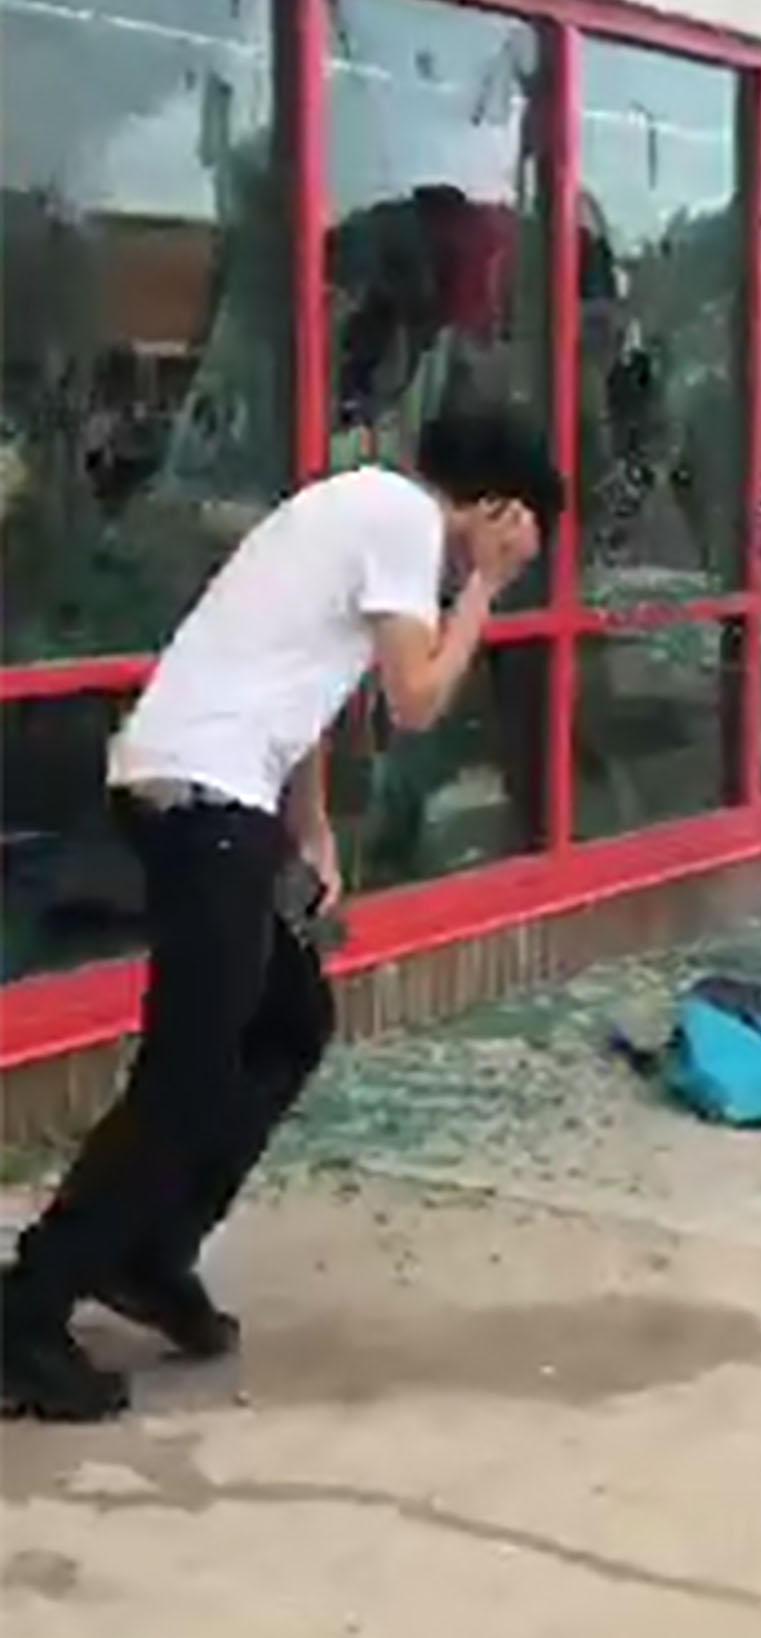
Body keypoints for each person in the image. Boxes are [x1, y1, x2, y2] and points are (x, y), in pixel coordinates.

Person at [2, 406, 564, 1422]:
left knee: (289, 1022)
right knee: (187, 1072)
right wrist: (484, 585)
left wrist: (311, 830)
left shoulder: (357, 511)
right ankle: (27, 1312)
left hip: (214, 797)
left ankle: (151, 1252)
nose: (512, 558)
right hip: (200, 800)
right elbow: (419, 699)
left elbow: (289, 672)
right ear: (498, 510)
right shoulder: (400, 517)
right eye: (517, 538)